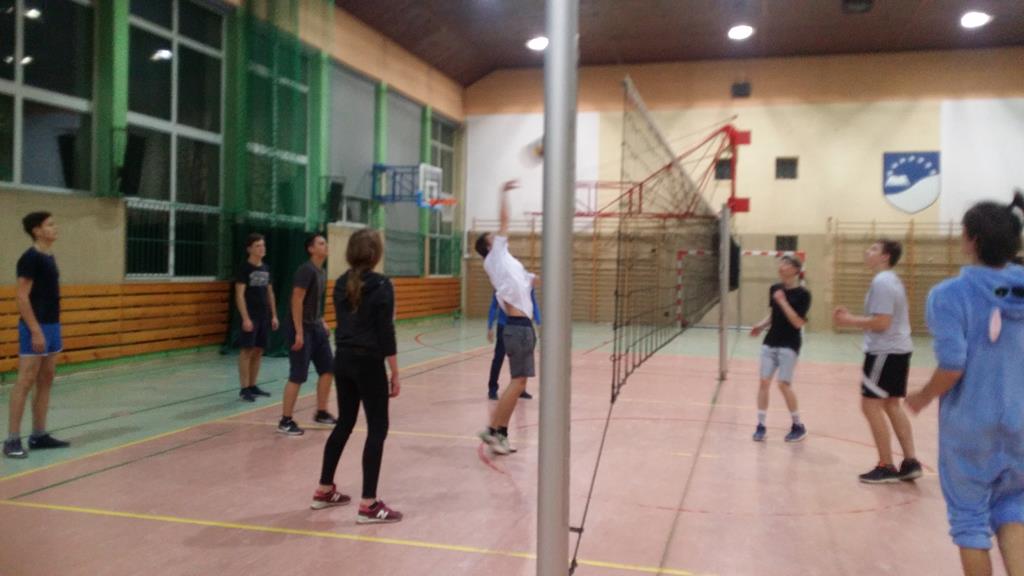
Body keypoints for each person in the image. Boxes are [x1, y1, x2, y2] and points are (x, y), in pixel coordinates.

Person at [907, 192, 1024, 576]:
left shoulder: (949, 295)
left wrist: (923, 396)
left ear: (971, 239)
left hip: (971, 428)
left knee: (970, 521)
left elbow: (953, 366)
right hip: (1020, 423)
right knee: (1014, 509)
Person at [312, 229, 402, 524]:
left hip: (343, 360)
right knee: (377, 428)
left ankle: (324, 489)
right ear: (375, 254)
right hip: (368, 362)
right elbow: (386, 332)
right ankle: (369, 504)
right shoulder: (382, 284)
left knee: (345, 423)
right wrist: (395, 371)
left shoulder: (340, 282)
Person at [834, 240, 922, 483]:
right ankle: (910, 462)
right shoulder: (892, 280)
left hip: (885, 351)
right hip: (899, 350)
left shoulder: (882, 281)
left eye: (873, 249)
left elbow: (882, 322)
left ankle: (886, 465)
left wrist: (849, 320)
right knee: (892, 404)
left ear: (885, 256)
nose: (867, 251)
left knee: (870, 405)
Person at [475, 180, 537, 455]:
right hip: (518, 327)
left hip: (520, 326)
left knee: (518, 382)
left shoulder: (509, 262)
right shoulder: (495, 256)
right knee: (518, 382)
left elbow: (530, 281)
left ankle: (499, 433)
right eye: (494, 235)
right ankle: (493, 429)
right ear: (490, 245)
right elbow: (504, 220)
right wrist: (502, 192)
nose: (499, 235)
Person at [4, 212, 70, 459]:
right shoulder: (30, 258)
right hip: (35, 326)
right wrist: (35, 330)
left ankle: (39, 435)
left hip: (52, 325)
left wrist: (50, 329)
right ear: (37, 230)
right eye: (50, 224)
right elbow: (22, 297)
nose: (55, 228)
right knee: (25, 380)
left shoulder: (48, 256)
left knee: (46, 379)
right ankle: (12, 440)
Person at [278, 233, 336, 436]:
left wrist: (322, 320)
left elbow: (315, 302)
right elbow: (297, 300)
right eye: (321, 243)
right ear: (311, 249)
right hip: (301, 328)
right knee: (298, 375)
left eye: (325, 243)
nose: (325, 246)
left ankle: (321, 412)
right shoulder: (306, 270)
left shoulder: (321, 271)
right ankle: (285, 420)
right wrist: (299, 332)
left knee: (328, 368)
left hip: (316, 327)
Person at [749, 255, 810, 443]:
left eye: (786, 264)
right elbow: (773, 315)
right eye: (781, 263)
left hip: (789, 344)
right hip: (770, 341)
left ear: (795, 270)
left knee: (783, 384)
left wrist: (783, 302)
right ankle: (760, 425)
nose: (781, 266)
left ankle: (798, 425)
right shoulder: (775, 289)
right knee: (764, 382)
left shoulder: (803, 294)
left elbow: (797, 322)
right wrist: (760, 326)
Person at [235, 233, 279, 402]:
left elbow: (270, 293)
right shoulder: (244, 268)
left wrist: (274, 315)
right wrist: (246, 318)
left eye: (263, 245)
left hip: (264, 316)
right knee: (246, 350)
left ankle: (253, 385)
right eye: (258, 246)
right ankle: (244, 388)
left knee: (259, 350)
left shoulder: (266, 268)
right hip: (250, 315)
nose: (262, 248)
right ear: (249, 249)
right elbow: (239, 295)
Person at [486, 287, 540, 400]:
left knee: (522, 358)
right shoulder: (501, 286)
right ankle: (492, 388)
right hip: (504, 325)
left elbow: (533, 304)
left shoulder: (527, 285)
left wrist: (538, 322)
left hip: (522, 325)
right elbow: (494, 306)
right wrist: (490, 326)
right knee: (498, 358)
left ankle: (520, 389)